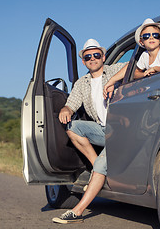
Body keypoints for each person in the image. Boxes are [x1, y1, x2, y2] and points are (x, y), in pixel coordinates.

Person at [52, 39, 127, 224]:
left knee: (102, 167)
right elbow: (72, 104)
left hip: (121, 132)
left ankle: (77, 212)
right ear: (84, 61)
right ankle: (97, 169)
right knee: (73, 126)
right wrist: (66, 110)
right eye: (88, 57)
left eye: (96, 55)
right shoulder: (82, 83)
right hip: (102, 129)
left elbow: (133, 64)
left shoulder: (113, 70)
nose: (92, 59)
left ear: (103, 57)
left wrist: (114, 80)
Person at [103, 18, 160, 99]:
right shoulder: (144, 55)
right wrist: (144, 74)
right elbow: (135, 73)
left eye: (155, 35)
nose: (151, 38)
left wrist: (155, 69)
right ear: (141, 42)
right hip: (153, 90)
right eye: (146, 36)